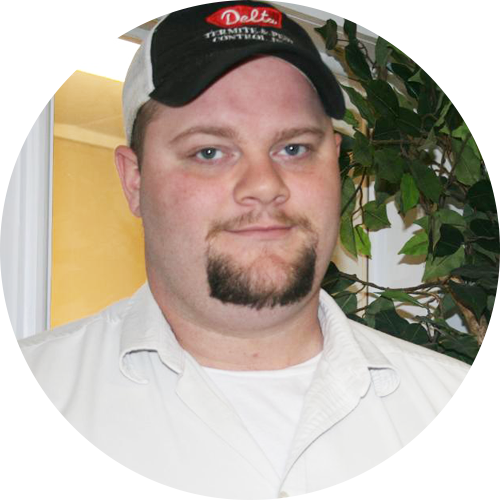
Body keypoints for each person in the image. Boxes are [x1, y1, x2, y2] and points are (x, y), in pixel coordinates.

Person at [0, 0, 499, 498]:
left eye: (294, 148)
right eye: (210, 152)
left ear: (336, 164)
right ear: (135, 181)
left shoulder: (476, 424)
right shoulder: (14, 416)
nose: (264, 185)